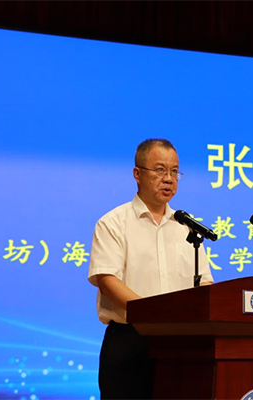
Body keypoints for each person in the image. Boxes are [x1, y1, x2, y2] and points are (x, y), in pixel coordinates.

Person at [88, 138, 214, 400]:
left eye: (174, 171)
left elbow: (204, 284)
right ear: (137, 174)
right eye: (159, 170)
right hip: (130, 342)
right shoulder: (113, 223)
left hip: (182, 345)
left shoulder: (187, 228)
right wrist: (153, 314)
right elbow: (107, 280)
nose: (168, 179)